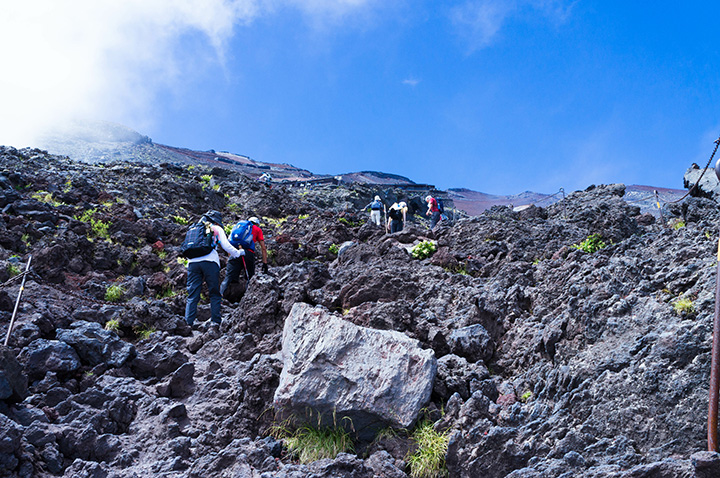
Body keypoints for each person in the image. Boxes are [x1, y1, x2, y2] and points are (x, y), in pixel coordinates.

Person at [185, 210, 243, 328]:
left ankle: (188, 323)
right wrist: (238, 253)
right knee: (214, 292)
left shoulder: (193, 229)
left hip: (192, 263)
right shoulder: (215, 228)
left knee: (192, 293)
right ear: (216, 221)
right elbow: (226, 246)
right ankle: (216, 321)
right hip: (210, 262)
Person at [221, 216, 268, 296]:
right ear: (257, 224)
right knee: (250, 277)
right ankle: (246, 300)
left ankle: (220, 298)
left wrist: (230, 258)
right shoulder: (257, 229)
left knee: (228, 277)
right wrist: (265, 263)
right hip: (248, 253)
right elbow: (263, 248)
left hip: (235, 252)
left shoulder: (238, 227)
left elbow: (230, 242)